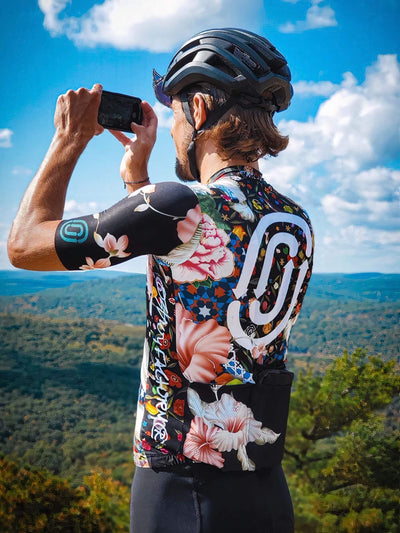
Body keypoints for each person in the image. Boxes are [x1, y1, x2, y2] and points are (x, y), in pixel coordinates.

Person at [8, 28, 313, 533]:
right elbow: (191, 262)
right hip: (264, 483)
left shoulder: (176, 204)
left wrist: (69, 139)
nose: (173, 130)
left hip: (181, 486)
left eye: (174, 115)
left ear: (199, 109)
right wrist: (137, 179)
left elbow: (23, 246)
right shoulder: (294, 219)